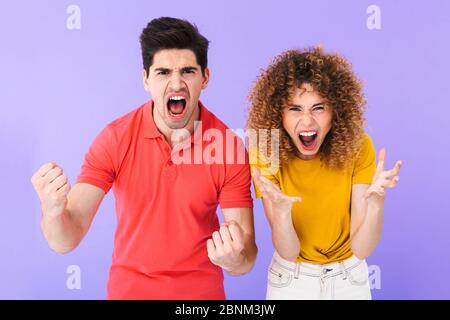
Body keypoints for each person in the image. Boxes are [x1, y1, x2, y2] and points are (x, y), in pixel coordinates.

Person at [31, 17, 257, 299]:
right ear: (146, 80)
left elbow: (246, 255)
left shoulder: (228, 147)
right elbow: (66, 239)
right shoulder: (115, 139)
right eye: (163, 72)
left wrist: (235, 260)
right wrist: (53, 213)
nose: (176, 83)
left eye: (187, 71)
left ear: (205, 78)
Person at [247, 47, 401, 300]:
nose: (307, 122)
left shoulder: (359, 146)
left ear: (336, 111)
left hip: (350, 279)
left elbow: (361, 249)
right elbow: (288, 251)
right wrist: (283, 214)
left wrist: (375, 205)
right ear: (278, 114)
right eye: (294, 109)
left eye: (318, 108)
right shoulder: (266, 149)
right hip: (291, 280)